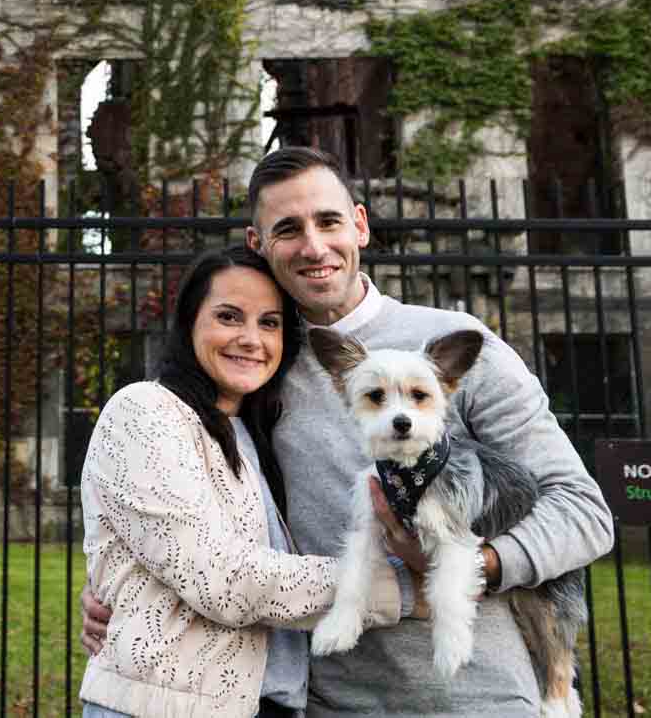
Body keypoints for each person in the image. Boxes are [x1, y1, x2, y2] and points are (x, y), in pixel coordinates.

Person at [84, 147, 613, 716]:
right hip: (327, 698)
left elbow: (583, 511)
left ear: (359, 224)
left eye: (329, 221)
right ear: (258, 243)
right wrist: (130, 588)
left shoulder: (455, 344)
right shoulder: (257, 366)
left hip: (473, 695)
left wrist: (479, 567)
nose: (313, 246)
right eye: (288, 229)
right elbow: (217, 523)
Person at [78, 245, 413, 718]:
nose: (252, 339)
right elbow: (221, 579)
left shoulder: (261, 433)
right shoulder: (145, 411)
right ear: (191, 322)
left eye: (270, 323)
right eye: (230, 317)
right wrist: (400, 585)